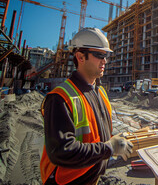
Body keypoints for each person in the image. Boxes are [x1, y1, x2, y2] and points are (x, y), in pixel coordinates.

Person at [40, 28, 133, 185]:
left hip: (91, 178)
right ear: (80, 57)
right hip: (68, 181)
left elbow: (98, 133)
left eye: (106, 55)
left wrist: (114, 142)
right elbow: (62, 151)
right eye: (99, 55)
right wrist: (109, 148)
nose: (105, 60)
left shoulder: (100, 92)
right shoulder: (60, 97)